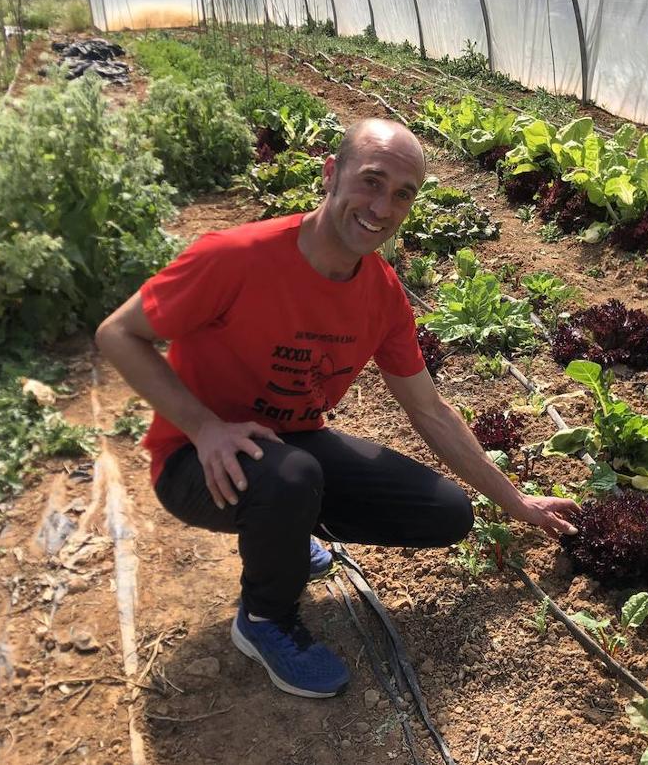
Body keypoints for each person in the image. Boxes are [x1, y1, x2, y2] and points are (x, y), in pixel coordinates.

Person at [95, 118, 579, 699]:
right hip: (197, 460)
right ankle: (265, 619)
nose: (383, 206)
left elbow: (428, 410)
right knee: (291, 477)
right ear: (331, 174)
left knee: (447, 513)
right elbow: (118, 334)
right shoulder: (236, 257)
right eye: (371, 181)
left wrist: (517, 501)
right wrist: (204, 428)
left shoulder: (381, 293)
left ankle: (285, 527)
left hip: (289, 445)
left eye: (403, 194)